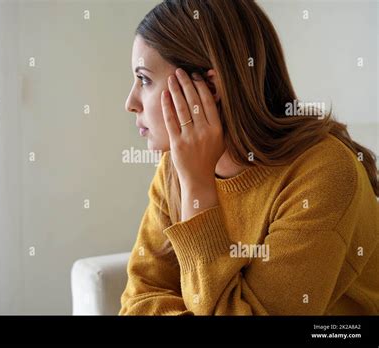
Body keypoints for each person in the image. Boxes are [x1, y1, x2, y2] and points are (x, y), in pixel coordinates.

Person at [121, 0, 379, 315]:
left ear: (210, 87)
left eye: (144, 79)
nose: (130, 102)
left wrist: (198, 189)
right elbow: (138, 300)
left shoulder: (323, 173)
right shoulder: (176, 166)